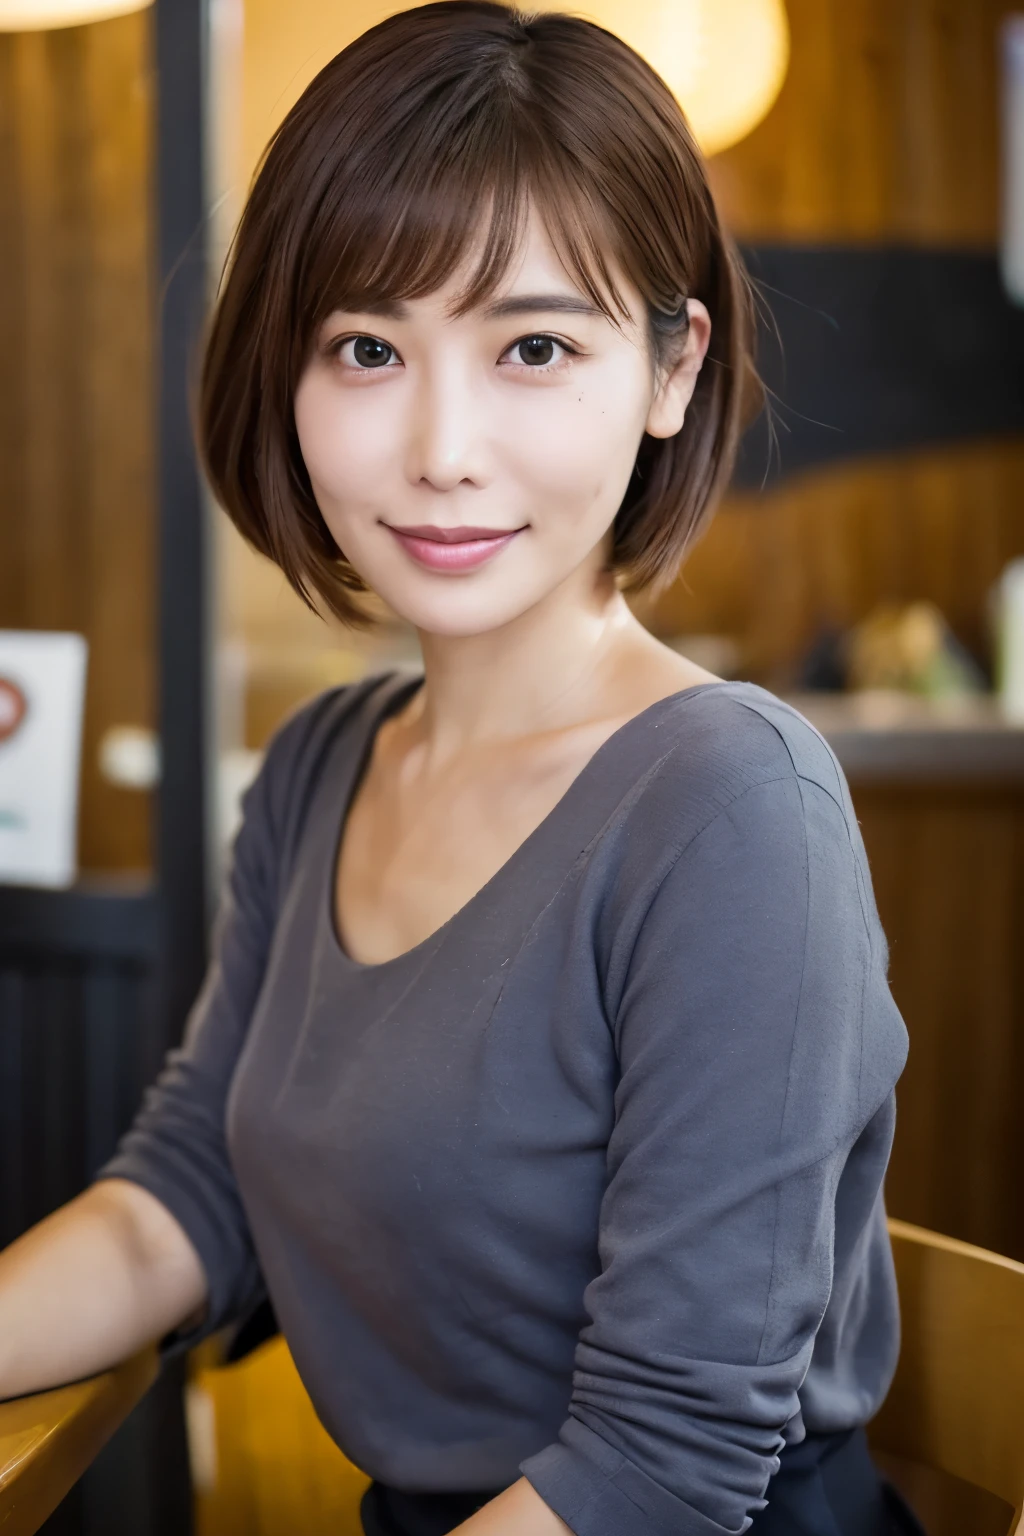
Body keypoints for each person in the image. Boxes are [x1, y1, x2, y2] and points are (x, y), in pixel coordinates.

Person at [0, 5, 919, 1533]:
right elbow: (188, 1200)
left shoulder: (734, 808)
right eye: (367, 347)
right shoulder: (319, 770)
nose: (440, 446)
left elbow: (661, 1466)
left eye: (535, 347)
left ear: (671, 369)